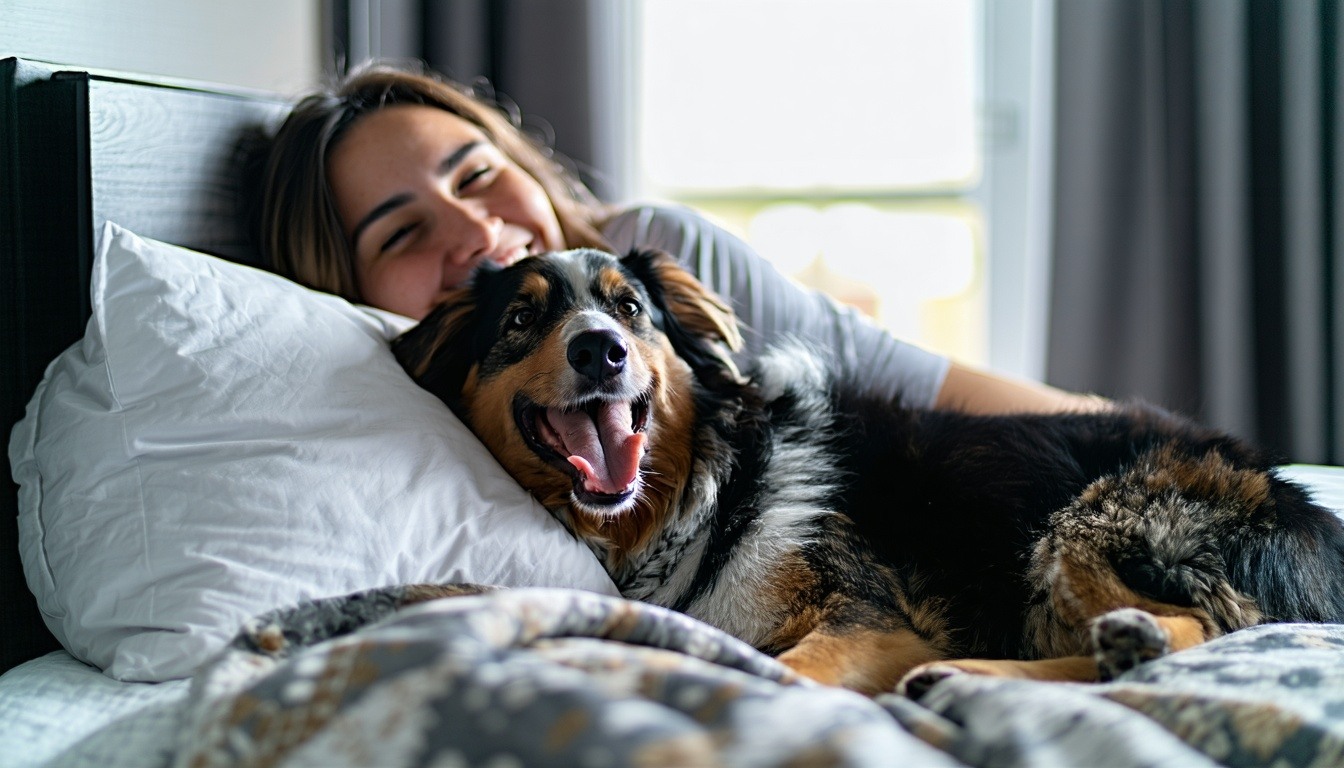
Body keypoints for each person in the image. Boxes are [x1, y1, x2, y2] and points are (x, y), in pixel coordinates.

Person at [260, 61, 1106, 416]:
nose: (481, 232)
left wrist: (1138, 441)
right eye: (405, 231)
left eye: (478, 175)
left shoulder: (660, 255)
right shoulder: (384, 396)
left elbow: (894, 376)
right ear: (344, 288)